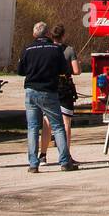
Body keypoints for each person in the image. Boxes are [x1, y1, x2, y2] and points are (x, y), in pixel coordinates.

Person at [17, 21, 79, 173]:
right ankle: (65, 161)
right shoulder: (55, 49)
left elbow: (20, 71)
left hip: (31, 91)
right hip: (49, 91)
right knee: (58, 126)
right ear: (46, 34)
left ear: (34, 34)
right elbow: (65, 70)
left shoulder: (27, 49)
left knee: (32, 128)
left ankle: (33, 164)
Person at [38, 24, 80, 166]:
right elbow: (76, 70)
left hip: (50, 86)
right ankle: (66, 154)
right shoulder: (69, 50)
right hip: (65, 87)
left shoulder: (48, 49)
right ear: (64, 36)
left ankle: (42, 155)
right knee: (66, 122)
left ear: (51, 36)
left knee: (47, 122)